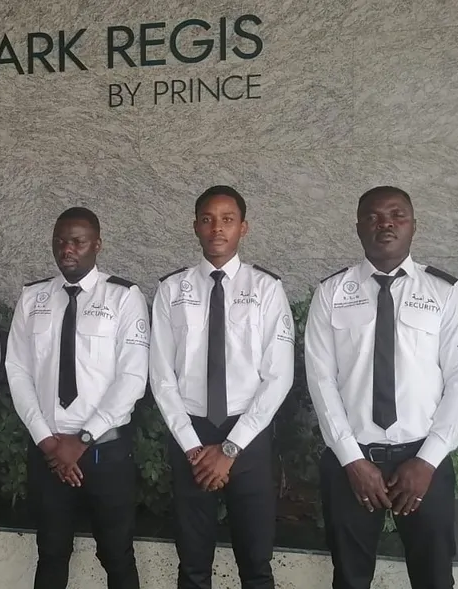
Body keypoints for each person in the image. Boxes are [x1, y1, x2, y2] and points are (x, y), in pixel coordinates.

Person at [304, 186, 458, 589]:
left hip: (423, 460)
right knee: (350, 578)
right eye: (373, 216)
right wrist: (352, 459)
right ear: (358, 228)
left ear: (414, 225)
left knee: (435, 577)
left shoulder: (444, 292)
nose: (385, 224)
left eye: (397, 215)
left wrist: (428, 461)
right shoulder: (332, 292)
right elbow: (321, 380)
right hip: (352, 462)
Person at [149, 185, 295, 589]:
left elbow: (279, 376)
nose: (217, 228)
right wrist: (192, 447)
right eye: (208, 219)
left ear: (243, 228)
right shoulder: (171, 290)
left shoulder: (266, 289)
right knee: (192, 565)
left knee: (256, 564)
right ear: (195, 226)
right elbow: (161, 375)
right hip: (191, 436)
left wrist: (231, 448)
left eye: (227, 220)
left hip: (248, 436)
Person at [5, 206, 149, 589]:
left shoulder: (123, 297)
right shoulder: (33, 298)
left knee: (117, 555)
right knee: (51, 554)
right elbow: (17, 371)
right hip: (49, 452)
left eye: (78, 241)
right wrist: (48, 441)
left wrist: (82, 439)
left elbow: (133, 378)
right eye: (60, 241)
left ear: (97, 244)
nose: (67, 249)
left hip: (105, 453)